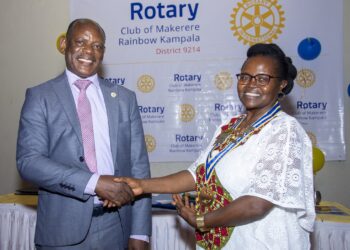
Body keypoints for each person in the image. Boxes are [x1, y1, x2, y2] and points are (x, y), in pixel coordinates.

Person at [113, 43, 315, 249]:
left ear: (281, 85)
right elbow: (196, 175)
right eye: (245, 77)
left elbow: (258, 203)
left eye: (263, 79)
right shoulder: (229, 126)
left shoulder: (285, 130)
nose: (250, 84)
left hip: (260, 241)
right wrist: (142, 185)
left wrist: (203, 221)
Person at [16, 18, 151, 249]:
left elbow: (139, 167)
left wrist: (140, 232)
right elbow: (29, 162)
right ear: (65, 45)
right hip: (61, 232)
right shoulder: (40, 97)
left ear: (103, 53)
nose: (89, 50)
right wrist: (94, 183)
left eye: (97, 46)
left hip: (116, 227)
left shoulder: (125, 99)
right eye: (80, 42)